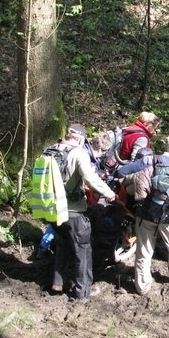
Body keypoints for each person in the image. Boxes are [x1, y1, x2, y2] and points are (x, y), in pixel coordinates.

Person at [118, 134, 169, 295]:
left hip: (145, 213)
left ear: (166, 146)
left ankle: (142, 286)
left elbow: (122, 172)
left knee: (144, 250)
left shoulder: (148, 160)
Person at [51, 123, 117, 300]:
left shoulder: (52, 149)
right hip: (73, 210)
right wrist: (109, 193)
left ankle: (58, 282)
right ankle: (83, 291)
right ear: (81, 138)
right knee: (83, 250)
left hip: (51, 208)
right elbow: (90, 178)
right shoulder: (79, 153)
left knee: (63, 245)